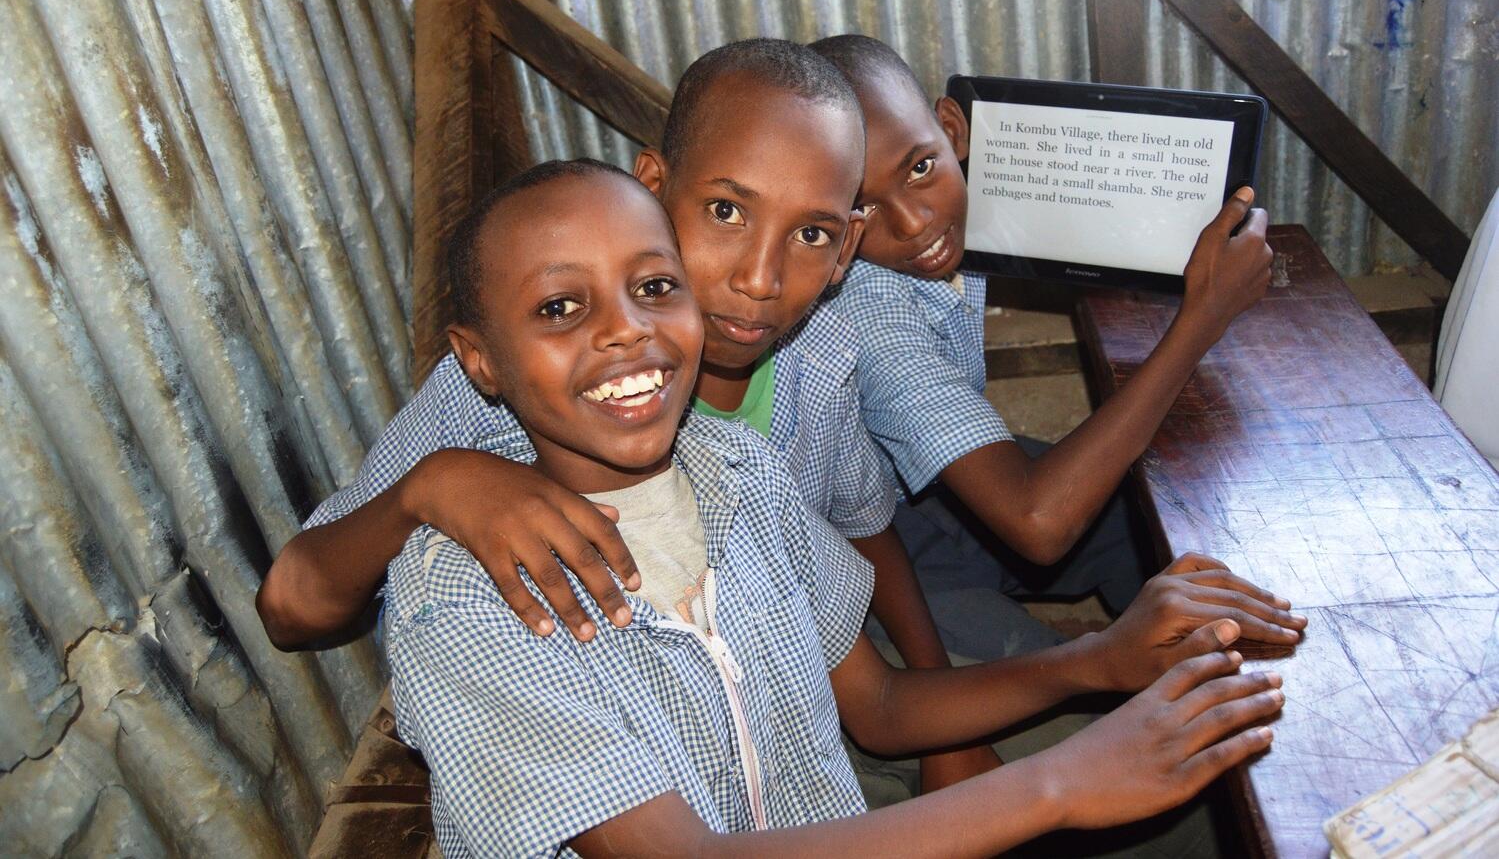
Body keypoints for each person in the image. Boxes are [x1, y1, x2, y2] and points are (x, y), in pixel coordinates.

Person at [385, 157, 1287, 857]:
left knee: (1218, 802)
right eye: (559, 306)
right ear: (480, 360)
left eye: (654, 287)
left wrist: (1097, 659)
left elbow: (881, 705)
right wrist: (1057, 784)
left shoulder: (737, 471)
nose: (626, 328)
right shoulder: (464, 604)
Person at [259, 39, 999, 789]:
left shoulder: (823, 355)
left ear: (844, 249)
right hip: (605, 750)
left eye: (810, 234)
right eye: (725, 212)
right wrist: (433, 485)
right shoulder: (522, 380)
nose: (759, 279)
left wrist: (943, 721)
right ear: (654, 187)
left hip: (781, 690)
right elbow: (290, 606)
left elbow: (865, 528)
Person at [810, 35, 1292, 663]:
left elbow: (1111, 191)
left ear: (953, 130)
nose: (913, 222)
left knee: (1149, 519)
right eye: (861, 205)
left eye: (920, 167)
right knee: (1069, 688)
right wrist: (1203, 317)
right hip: (869, 553)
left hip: (940, 495)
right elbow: (1039, 524)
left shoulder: (969, 201)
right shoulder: (868, 311)